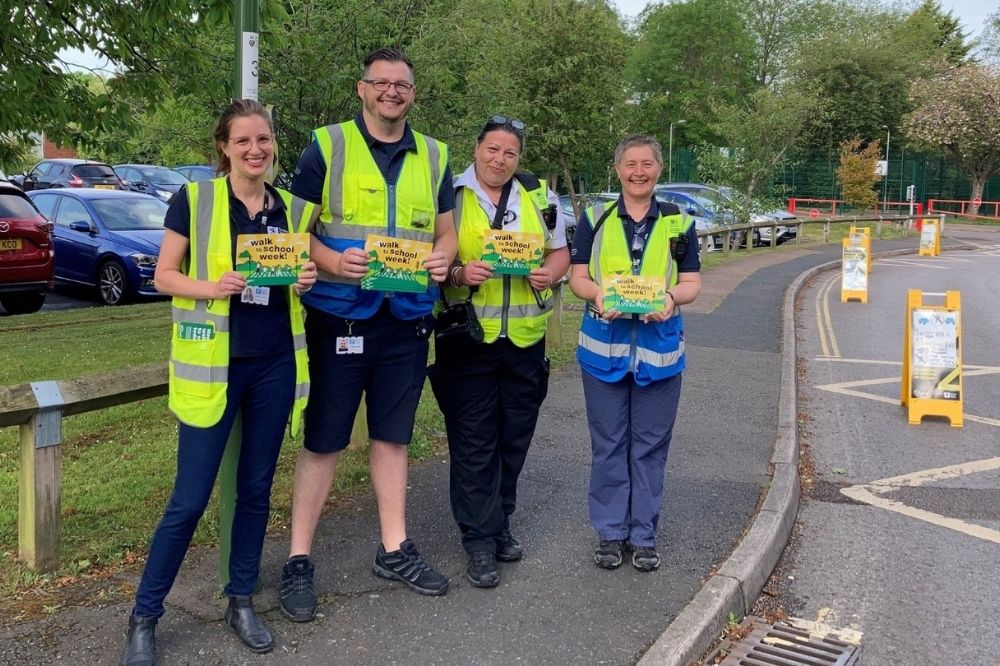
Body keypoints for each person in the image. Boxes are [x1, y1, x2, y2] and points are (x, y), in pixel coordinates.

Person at [121, 99, 318, 666]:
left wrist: (304, 278)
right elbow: (163, 275)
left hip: (276, 364)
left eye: (264, 140)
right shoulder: (195, 199)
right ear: (224, 147)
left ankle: (241, 601)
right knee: (189, 500)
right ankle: (145, 615)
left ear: (274, 144)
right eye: (243, 141)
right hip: (214, 366)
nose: (256, 150)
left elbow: (298, 280)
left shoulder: (294, 210)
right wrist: (215, 286)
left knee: (256, 492)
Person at [278, 47, 457, 621]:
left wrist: (440, 260)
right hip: (339, 318)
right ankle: (299, 559)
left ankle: (395, 548)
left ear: (412, 92)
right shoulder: (326, 145)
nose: (392, 92)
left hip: (405, 319)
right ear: (362, 89)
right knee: (324, 440)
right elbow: (293, 237)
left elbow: (447, 236)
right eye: (381, 83)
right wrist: (333, 263)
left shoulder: (434, 156)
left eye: (401, 84)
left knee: (393, 438)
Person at [429, 116, 570, 587]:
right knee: (474, 443)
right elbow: (434, 261)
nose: (499, 160)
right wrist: (457, 275)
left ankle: (501, 521)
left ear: (519, 157)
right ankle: (478, 541)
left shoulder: (539, 197)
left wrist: (550, 274)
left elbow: (559, 252)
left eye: (510, 153)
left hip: (525, 340)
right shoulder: (449, 194)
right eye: (492, 149)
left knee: (513, 438)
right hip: (469, 340)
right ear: (476, 148)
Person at [568, 133, 701, 572]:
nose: (638, 171)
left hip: (659, 354)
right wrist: (598, 295)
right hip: (603, 351)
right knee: (608, 445)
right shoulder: (594, 217)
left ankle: (644, 535)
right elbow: (578, 278)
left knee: (649, 448)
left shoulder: (679, 221)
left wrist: (670, 300)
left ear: (659, 169)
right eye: (630, 164)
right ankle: (610, 534)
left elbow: (691, 283)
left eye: (646, 163)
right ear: (618, 169)